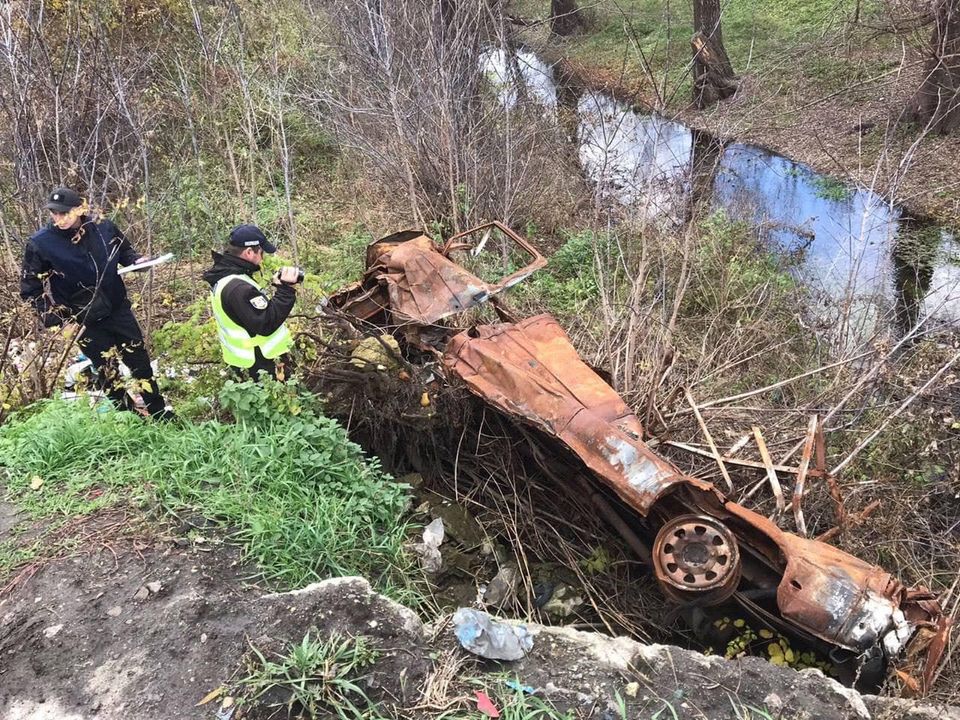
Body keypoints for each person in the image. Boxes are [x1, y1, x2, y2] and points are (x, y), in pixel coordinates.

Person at [20, 186, 173, 420]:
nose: (59, 218)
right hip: (82, 319)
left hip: (117, 308)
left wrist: (138, 261)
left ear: (79, 209)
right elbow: (30, 289)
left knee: (140, 364)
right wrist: (59, 321)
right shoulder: (41, 243)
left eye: (64, 213)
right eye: (54, 213)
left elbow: (125, 252)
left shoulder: (103, 228)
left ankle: (160, 414)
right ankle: (131, 418)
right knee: (107, 373)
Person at [202, 224, 298, 380]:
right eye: (261, 253)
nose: (262, 258)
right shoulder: (238, 288)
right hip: (261, 364)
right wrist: (286, 291)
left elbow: (248, 314)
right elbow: (266, 323)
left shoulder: (227, 276)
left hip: (244, 364)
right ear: (248, 252)